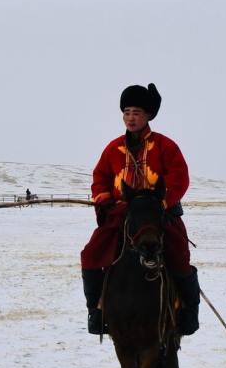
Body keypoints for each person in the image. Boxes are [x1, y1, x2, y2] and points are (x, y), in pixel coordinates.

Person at [80, 83, 201, 337]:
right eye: (126, 112)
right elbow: (100, 177)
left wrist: (160, 203)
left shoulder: (165, 146)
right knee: (91, 255)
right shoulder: (113, 149)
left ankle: (190, 310)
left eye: (136, 112)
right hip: (122, 215)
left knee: (179, 255)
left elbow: (179, 176)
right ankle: (97, 310)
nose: (131, 118)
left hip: (158, 214)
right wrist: (103, 205)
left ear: (148, 116)